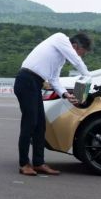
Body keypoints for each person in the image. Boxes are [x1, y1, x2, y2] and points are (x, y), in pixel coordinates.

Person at [14, 32, 92, 176]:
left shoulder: (60, 58)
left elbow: (54, 79)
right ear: (74, 46)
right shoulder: (60, 38)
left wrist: (66, 95)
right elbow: (76, 61)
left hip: (35, 84)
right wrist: (88, 76)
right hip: (26, 80)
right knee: (29, 123)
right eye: (82, 53)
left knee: (40, 126)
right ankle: (24, 164)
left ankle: (38, 163)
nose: (81, 56)